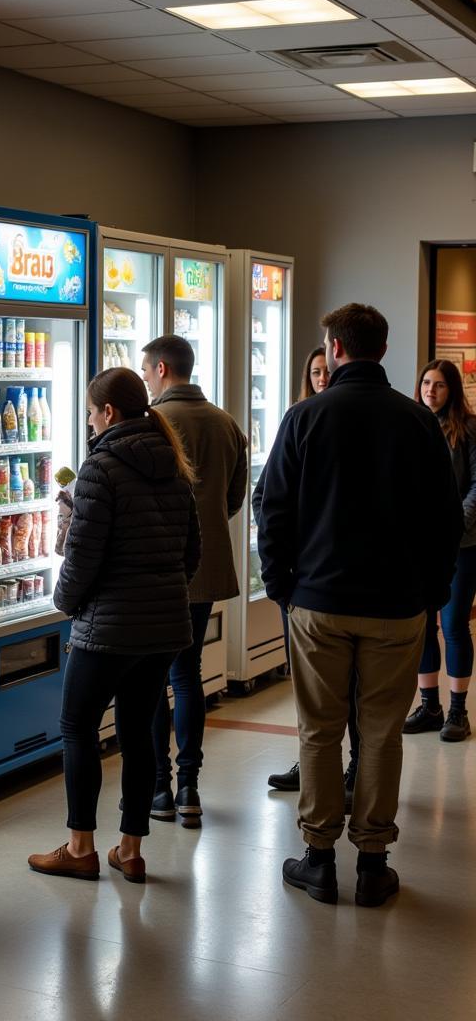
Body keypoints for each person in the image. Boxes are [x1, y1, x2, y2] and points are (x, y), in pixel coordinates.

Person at [258, 303, 460, 908]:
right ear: (382, 349)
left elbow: (274, 511)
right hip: (398, 608)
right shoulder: (418, 423)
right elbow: (446, 521)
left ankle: (318, 860)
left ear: (336, 348)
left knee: (318, 733)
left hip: (317, 604)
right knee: (381, 734)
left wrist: (282, 589)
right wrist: (434, 592)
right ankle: (373, 863)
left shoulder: (303, 419)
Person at [27, 368, 200, 884]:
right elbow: (191, 553)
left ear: (107, 413)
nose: (87, 422)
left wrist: (64, 601)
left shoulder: (100, 467)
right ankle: (130, 848)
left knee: (77, 727)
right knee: (139, 731)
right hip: (164, 625)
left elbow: (83, 555)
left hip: (108, 627)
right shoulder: (173, 464)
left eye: (88, 412)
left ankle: (81, 846)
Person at [140, 335, 247, 828]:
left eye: (145, 370)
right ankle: (189, 788)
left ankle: (158, 787)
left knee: (154, 679)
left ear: (162, 369)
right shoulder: (227, 423)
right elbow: (233, 499)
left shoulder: (153, 422)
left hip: (157, 568)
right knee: (188, 676)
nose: (143, 378)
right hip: (205, 567)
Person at [265, 346, 360, 803]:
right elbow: (268, 496)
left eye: (328, 369)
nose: (322, 377)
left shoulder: (340, 421)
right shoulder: (298, 419)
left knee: (355, 693)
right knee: (312, 696)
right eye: (315, 371)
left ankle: (355, 767)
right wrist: (278, 583)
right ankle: (314, 764)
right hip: (304, 583)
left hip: (323, 585)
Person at [405, 359, 476, 742]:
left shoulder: (469, 429)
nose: (431, 390)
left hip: (462, 545)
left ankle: (458, 711)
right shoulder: (411, 426)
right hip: (420, 548)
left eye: (440, 385)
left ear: (453, 391)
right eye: (426, 383)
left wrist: (453, 526)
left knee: (453, 625)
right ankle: (429, 705)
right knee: (422, 627)